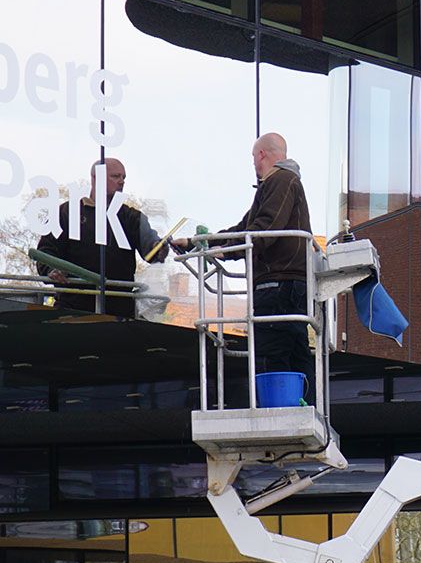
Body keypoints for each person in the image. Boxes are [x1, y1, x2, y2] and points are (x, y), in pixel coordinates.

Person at [198, 133, 315, 393]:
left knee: (273, 349)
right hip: (289, 282)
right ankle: (303, 404)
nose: (253, 164)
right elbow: (245, 228)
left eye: (253, 158)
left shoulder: (280, 179)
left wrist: (225, 252)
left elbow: (266, 227)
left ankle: (283, 406)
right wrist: (204, 242)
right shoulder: (279, 184)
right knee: (294, 349)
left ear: (261, 154)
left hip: (277, 283)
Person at [36, 158, 170, 318]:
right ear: (95, 178)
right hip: (73, 308)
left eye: (124, 177)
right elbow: (45, 253)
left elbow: (150, 246)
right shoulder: (67, 212)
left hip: (119, 311)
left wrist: (159, 247)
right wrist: (52, 270)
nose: (121, 182)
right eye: (115, 176)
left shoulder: (130, 217)